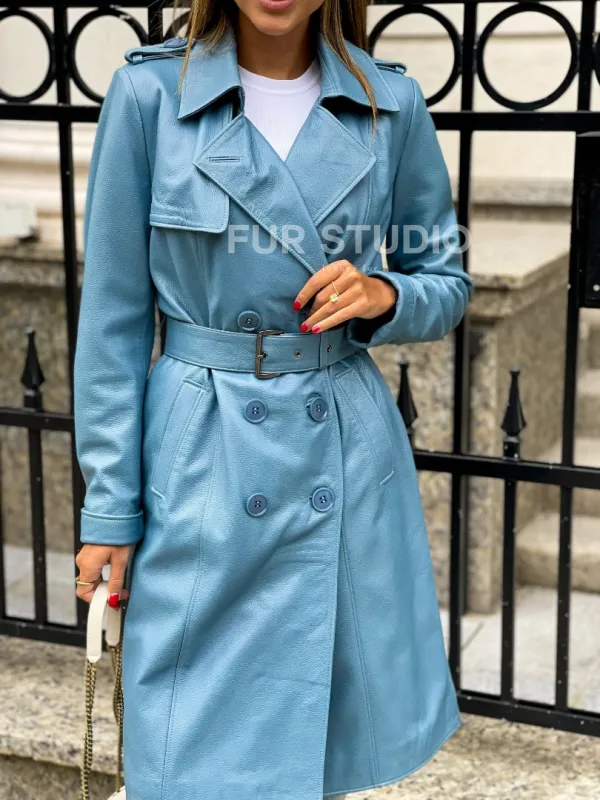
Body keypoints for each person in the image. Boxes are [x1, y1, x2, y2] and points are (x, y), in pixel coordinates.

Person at [73, 1, 474, 799]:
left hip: (340, 452)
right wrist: (110, 508)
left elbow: (447, 282)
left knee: (313, 754)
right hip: (203, 453)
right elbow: (113, 319)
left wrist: (384, 295)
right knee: (188, 746)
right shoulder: (151, 95)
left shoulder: (390, 104)